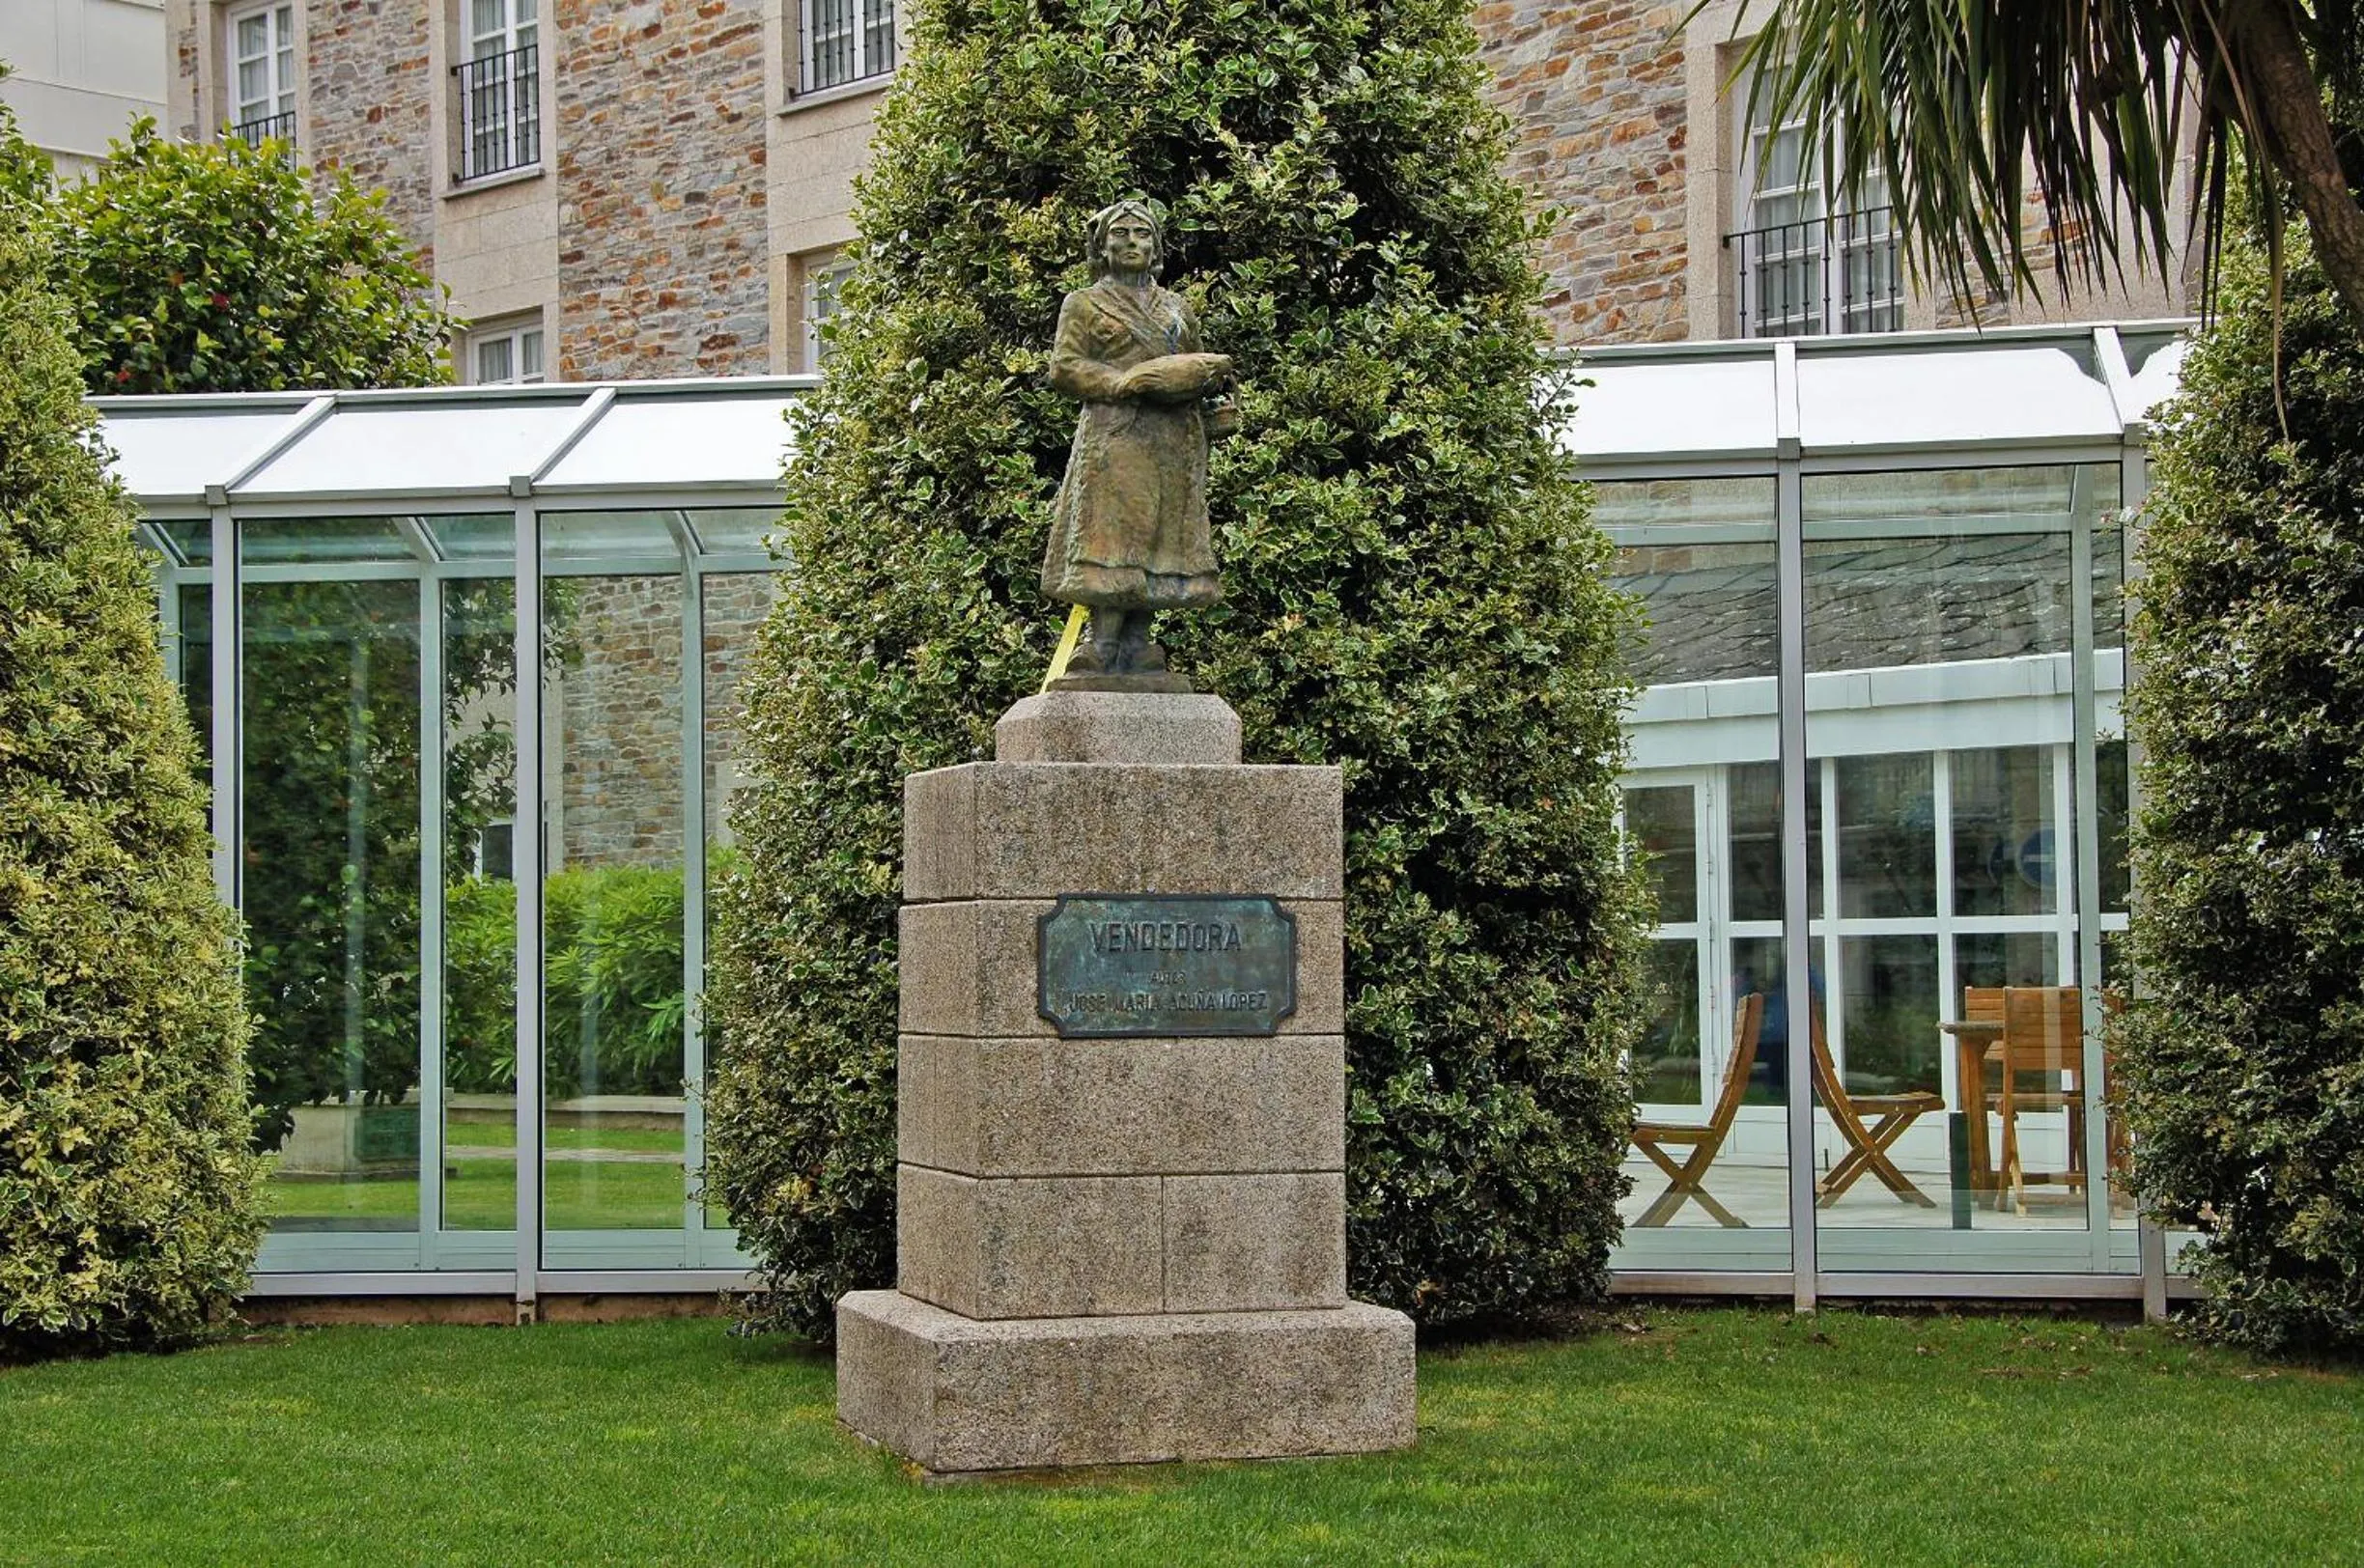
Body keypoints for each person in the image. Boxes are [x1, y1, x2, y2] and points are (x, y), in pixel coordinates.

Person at [1041, 199, 1237, 676]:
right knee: (1114, 533)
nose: (1133, 243)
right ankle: (1101, 641)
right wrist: (1119, 383)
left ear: (1156, 247)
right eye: (1122, 234)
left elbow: (1194, 367)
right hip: (1116, 435)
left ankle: (1140, 641)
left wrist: (1213, 393)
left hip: (1172, 437)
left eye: (1143, 235)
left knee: (1160, 533)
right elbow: (1064, 367)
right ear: (1102, 246)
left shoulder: (1176, 308)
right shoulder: (1084, 303)